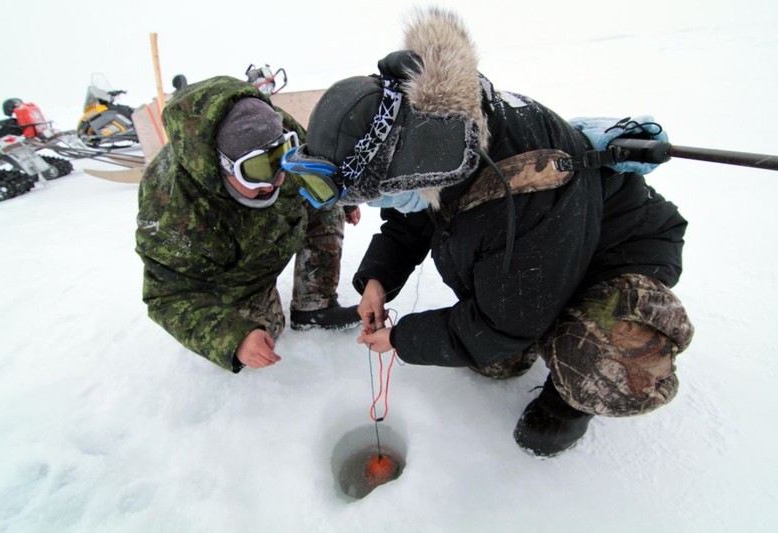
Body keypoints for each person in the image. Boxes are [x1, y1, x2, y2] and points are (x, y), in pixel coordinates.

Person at [280, 8, 694, 456]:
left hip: (613, 255)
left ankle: (572, 397)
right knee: (497, 361)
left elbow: (504, 324)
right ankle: (546, 325)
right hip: (538, 262)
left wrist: (401, 338)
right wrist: (378, 278)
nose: (379, 206)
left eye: (377, 197)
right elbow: (414, 211)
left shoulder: (515, 196)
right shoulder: (436, 140)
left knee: (601, 364)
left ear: (413, 169)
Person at [135, 75, 361, 373]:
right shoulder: (171, 207)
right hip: (233, 276)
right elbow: (167, 296)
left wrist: (345, 200)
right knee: (265, 334)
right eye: (254, 171)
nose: (273, 182)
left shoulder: (277, 128)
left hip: (280, 230)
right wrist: (233, 337)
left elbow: (317, 171)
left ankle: (314, 304)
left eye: (279, 162)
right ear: (220, 166)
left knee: (324, 202)